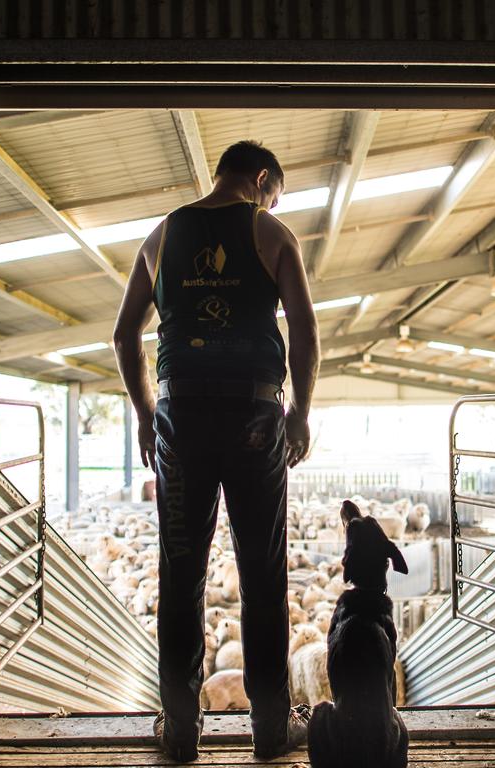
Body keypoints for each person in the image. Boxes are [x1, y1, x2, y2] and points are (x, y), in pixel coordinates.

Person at [112, 140, 320, 762]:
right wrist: (301, 413)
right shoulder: (270, 232)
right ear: (261, 179)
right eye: (274, 193)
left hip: (181, 419)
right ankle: (271, 730)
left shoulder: (162, 237)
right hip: (255, 417)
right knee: (262, 576)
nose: (271, 201)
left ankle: (179, 732)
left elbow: (125, 335)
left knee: (181, 577)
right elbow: (306, 330)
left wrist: (148, 418)